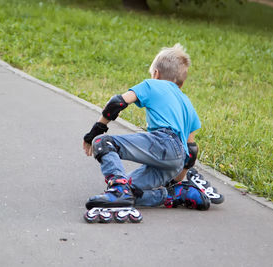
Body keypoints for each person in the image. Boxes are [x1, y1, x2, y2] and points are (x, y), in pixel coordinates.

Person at [82, 44, 214, 211]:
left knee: (102, 142)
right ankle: (175, 194)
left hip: (164, 142)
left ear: (156, 74)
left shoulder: (152, 84)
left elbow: (117, 103)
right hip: (177, 160)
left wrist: (94, 132)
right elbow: (191, 151)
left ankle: (118, 191)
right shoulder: (187, 104)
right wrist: (177, 181)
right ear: (180, 84)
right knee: (130, 189)